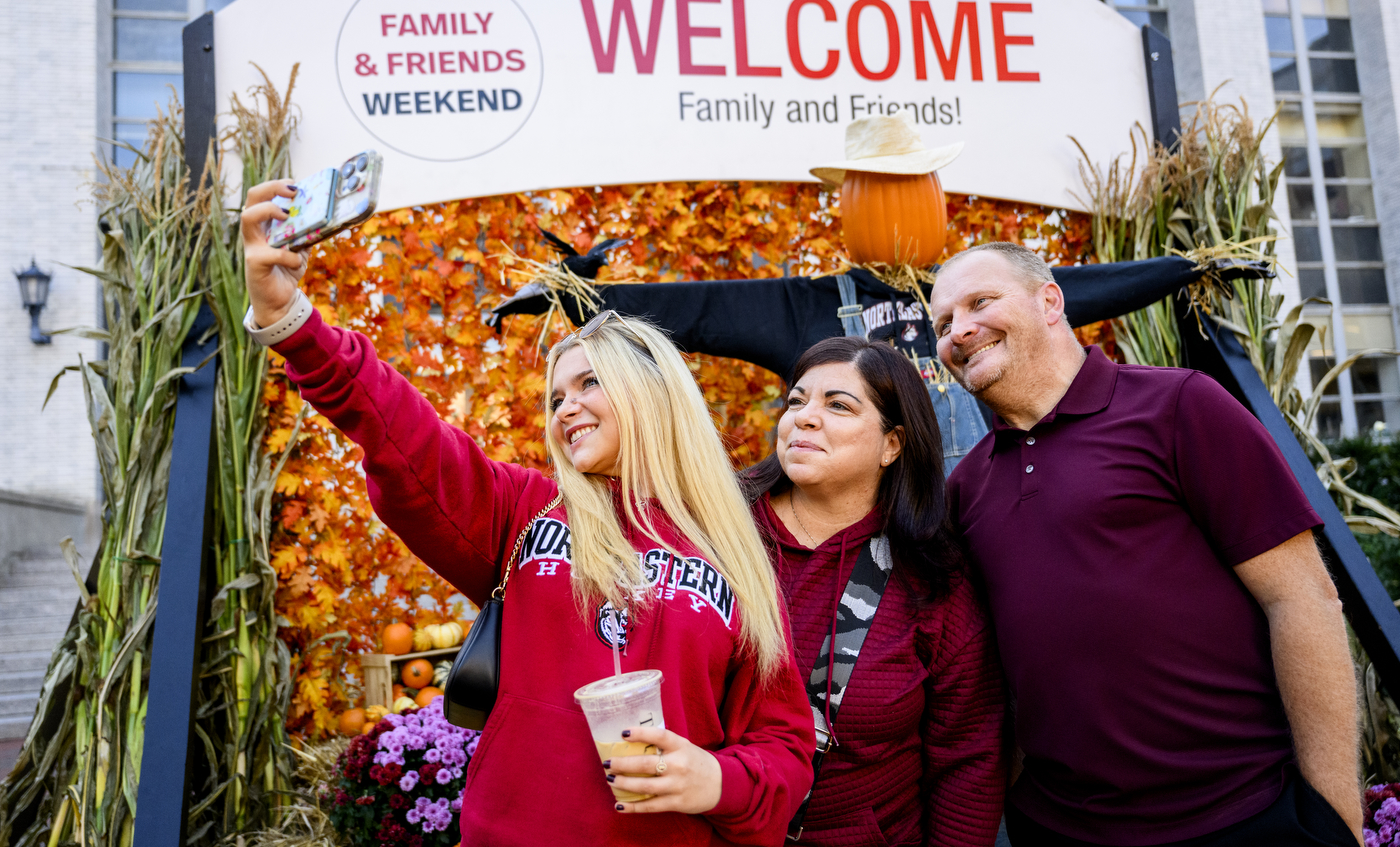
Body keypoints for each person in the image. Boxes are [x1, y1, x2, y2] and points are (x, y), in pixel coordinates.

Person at [239, 179, 816, 846]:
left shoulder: (735, 550)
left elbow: (783, 746)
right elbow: (404, 431)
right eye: (555, 398)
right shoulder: (524, 512)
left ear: (654, 394)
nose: (565, 407)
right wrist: (293, 323)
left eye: (589, 383)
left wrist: (716, 780)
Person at [929, 242, 1361, 847]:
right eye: (943, 323)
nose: (960, 330)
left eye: (980, 302)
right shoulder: (963, 489)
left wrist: (1336, 821)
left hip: (1240, 816)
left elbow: (1304, 602)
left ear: (1049, 301)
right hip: (1063, 829)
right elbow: (995, 679)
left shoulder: (1181, 406)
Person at [742, 335, 1006, 846]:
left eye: (838, 405)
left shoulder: (932, 578)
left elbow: (968, 761)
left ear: (892, 445)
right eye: (796, 401)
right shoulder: (711, 533)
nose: (805, 417)